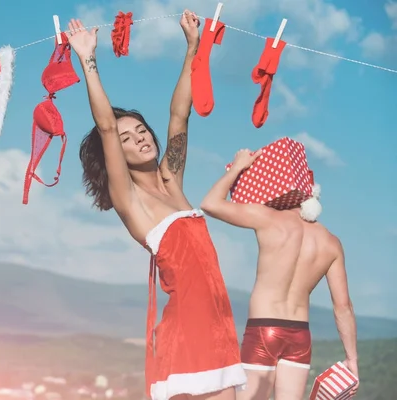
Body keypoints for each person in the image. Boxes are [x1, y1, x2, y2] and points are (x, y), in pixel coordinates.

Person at [66, 11, 247, 400]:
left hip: (218, 325)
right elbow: (107, 127)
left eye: (141, 129)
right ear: (116, 154)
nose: (140, 138)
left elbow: (179, 115)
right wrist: (88, 60)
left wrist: (193, 48)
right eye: (128, 138)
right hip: (187, 333)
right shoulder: (130, 201)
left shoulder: (171, 179)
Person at [200, 149, 359, 400]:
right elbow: (343, 307)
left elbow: (210, 204)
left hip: (264, 328)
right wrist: (352, 358)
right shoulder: (331, 243)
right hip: (300, 335)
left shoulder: (267, 218)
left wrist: (239, 166)